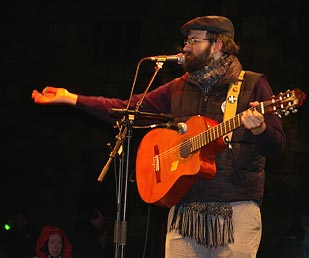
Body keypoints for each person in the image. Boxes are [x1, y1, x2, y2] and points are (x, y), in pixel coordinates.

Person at [31, 15, 286, 258]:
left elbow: (277, 145)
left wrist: (261, 130)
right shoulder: (178, 88)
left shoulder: (252, 85)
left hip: (235, 211)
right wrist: (72, 99)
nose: (186, 47)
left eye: (194, 41)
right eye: (187, 41)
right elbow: (126, 109)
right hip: (184, 213)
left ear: (217, 45)